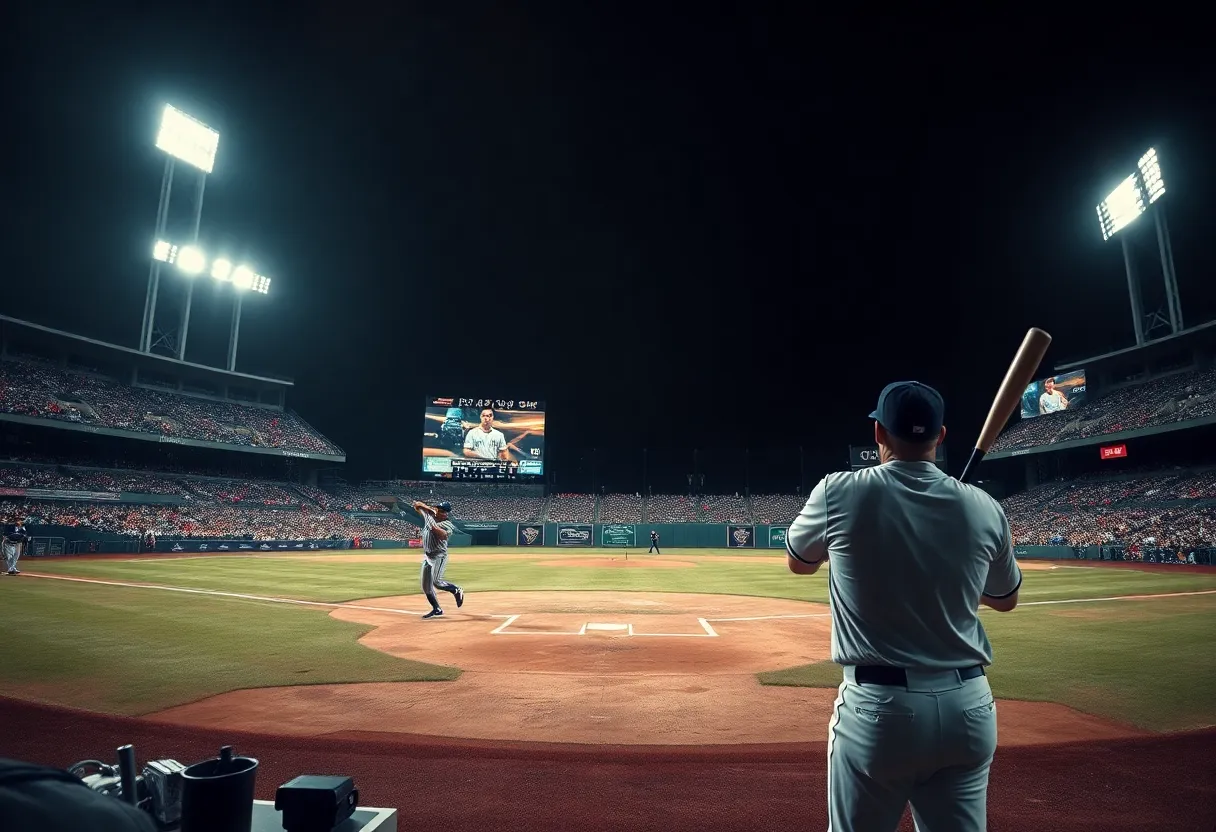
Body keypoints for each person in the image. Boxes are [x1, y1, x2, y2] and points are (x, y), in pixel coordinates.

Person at [786, 381, 1021, 832]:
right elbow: (1005, 599)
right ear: (942, 435)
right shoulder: (985, 507)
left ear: (878, 434)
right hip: (969, 711)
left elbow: (800, 562)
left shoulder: (839, 491)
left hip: (880, 712)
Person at [413, 500, 464, 619]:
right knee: (426, 586)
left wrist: (431, 521)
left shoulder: (447, 524)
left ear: (446, 514)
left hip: (439, 556)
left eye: (441, 511)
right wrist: (427, 509)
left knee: (437, 582)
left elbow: (442, 535)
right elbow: (416, 504)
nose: (437, 512)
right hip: (428, 556)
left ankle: (456, 590)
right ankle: (437, 609)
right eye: (437, 510)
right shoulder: (430, 517)